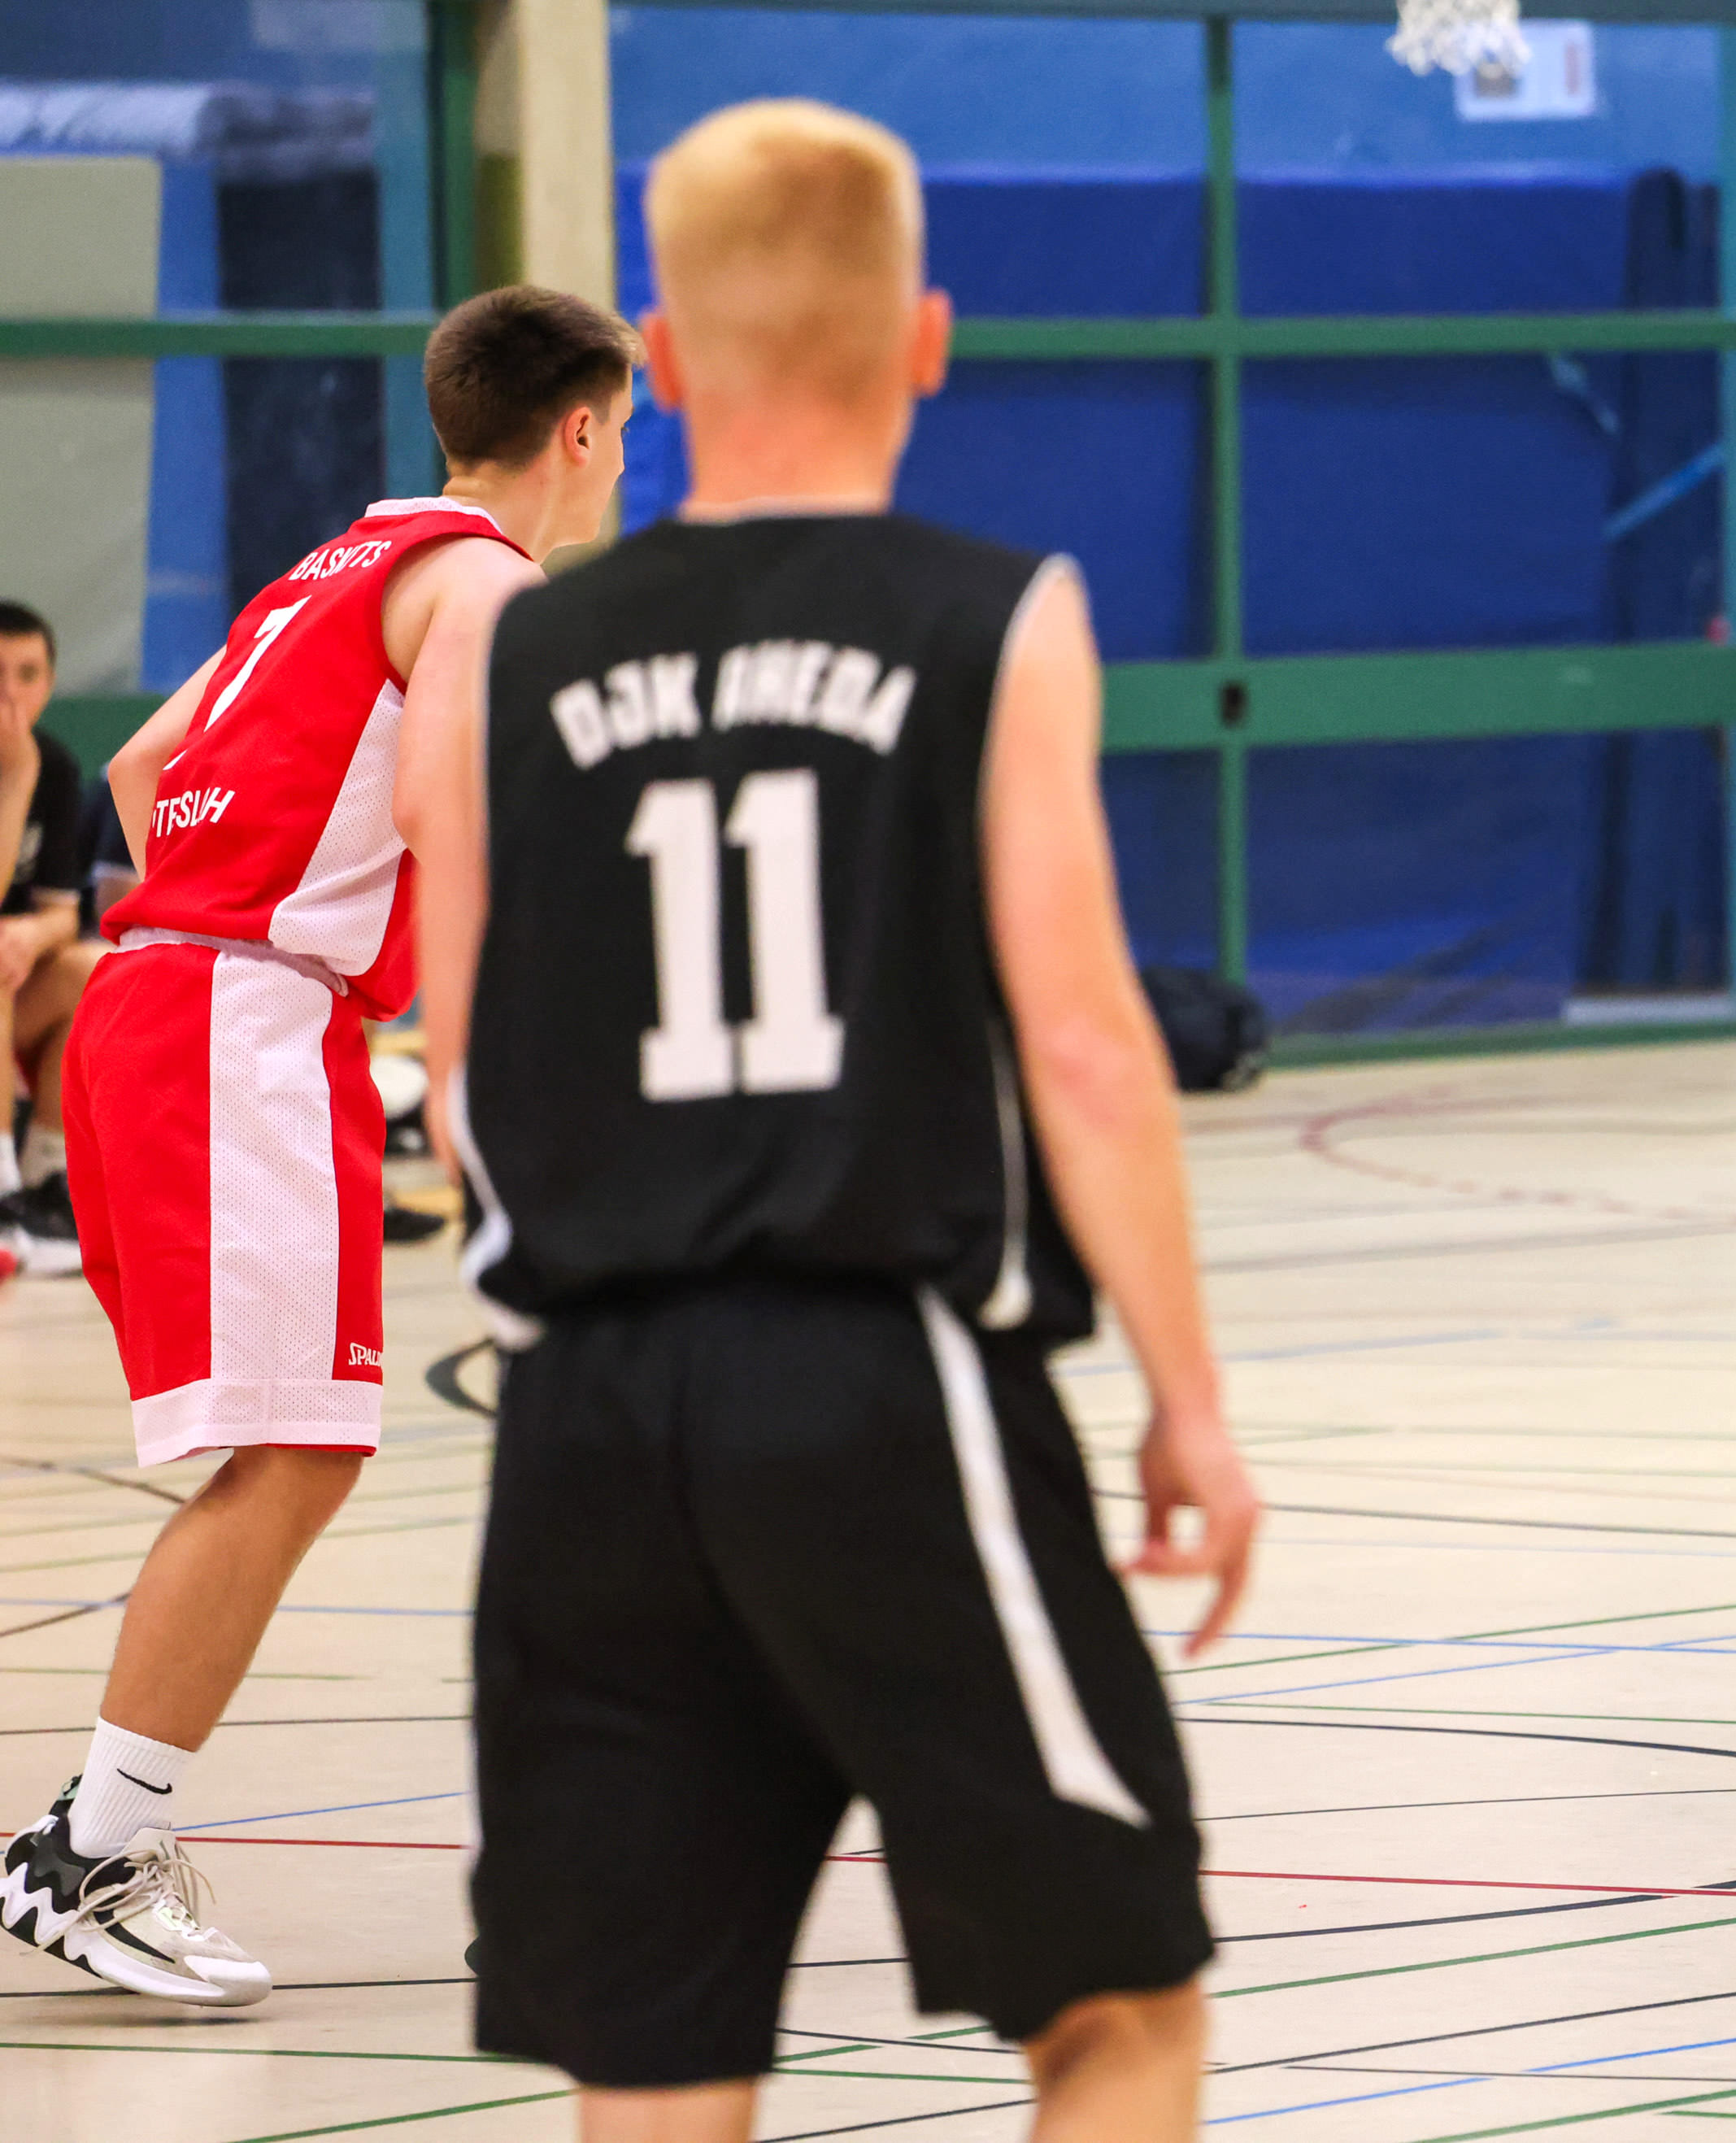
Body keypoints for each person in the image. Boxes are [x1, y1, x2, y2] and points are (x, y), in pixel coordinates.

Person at [402, 99, 1257, 2137]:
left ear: (667, 361)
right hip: (877, 1380)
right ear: (927, 338)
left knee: (657, 2070)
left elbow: (459, 1059)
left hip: (586, 1414)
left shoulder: (514, 641)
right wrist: (1188, 1396)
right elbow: (1083, 1044)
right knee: (1120, 2009)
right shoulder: (992, 611)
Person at [0, 285, 631, 2006]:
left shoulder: (330, 568)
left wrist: (233, 925)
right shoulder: (486, 585)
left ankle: (95, 1837)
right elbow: (446, 814)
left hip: (168, 998)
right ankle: (87, 1850)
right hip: (235, 1021)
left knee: (298, 1450)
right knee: (292, 1455)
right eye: (623, 433)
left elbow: (144, 769)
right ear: (581, 429)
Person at [0, 599, 98, 1275]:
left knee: (95, 967)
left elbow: (63, 913)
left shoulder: (57, 766)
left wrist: (32, 933)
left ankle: (44, 1177)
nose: (10, 693)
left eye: (27, 674)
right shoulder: (29, 769)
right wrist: (15, 778)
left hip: (13, 995)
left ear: (51, 683)